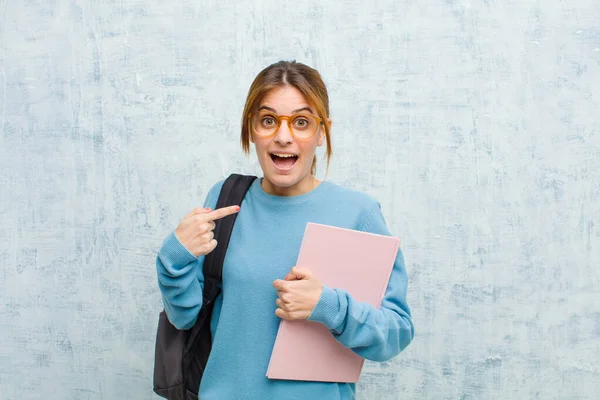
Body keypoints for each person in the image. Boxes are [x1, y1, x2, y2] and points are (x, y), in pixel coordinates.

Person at [156, 60, 415, 400]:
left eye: (301, 122)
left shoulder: (358, 213)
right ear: (252, 129)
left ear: (322, 132)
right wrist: (174, 256)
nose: (283, 136)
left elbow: (396, 332)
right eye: (268, 120)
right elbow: (184, 316)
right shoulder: (225, 200)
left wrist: (328, 306)